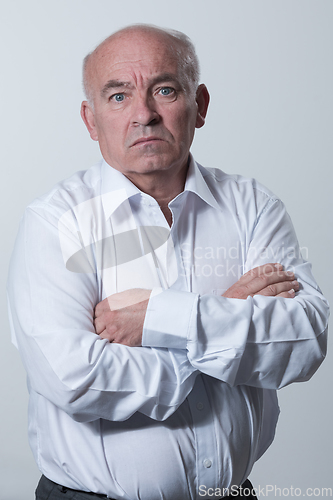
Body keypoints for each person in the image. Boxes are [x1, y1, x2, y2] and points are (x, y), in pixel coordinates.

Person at [7, 24, 329, 500]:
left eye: (164, 89)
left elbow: (304, 339)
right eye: (117, 97)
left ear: (199, 105)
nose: (144, 115)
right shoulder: (57, 221)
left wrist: (157, 320)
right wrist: (224, 314)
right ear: (90, 120)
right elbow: (74, 379)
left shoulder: (253, 206)